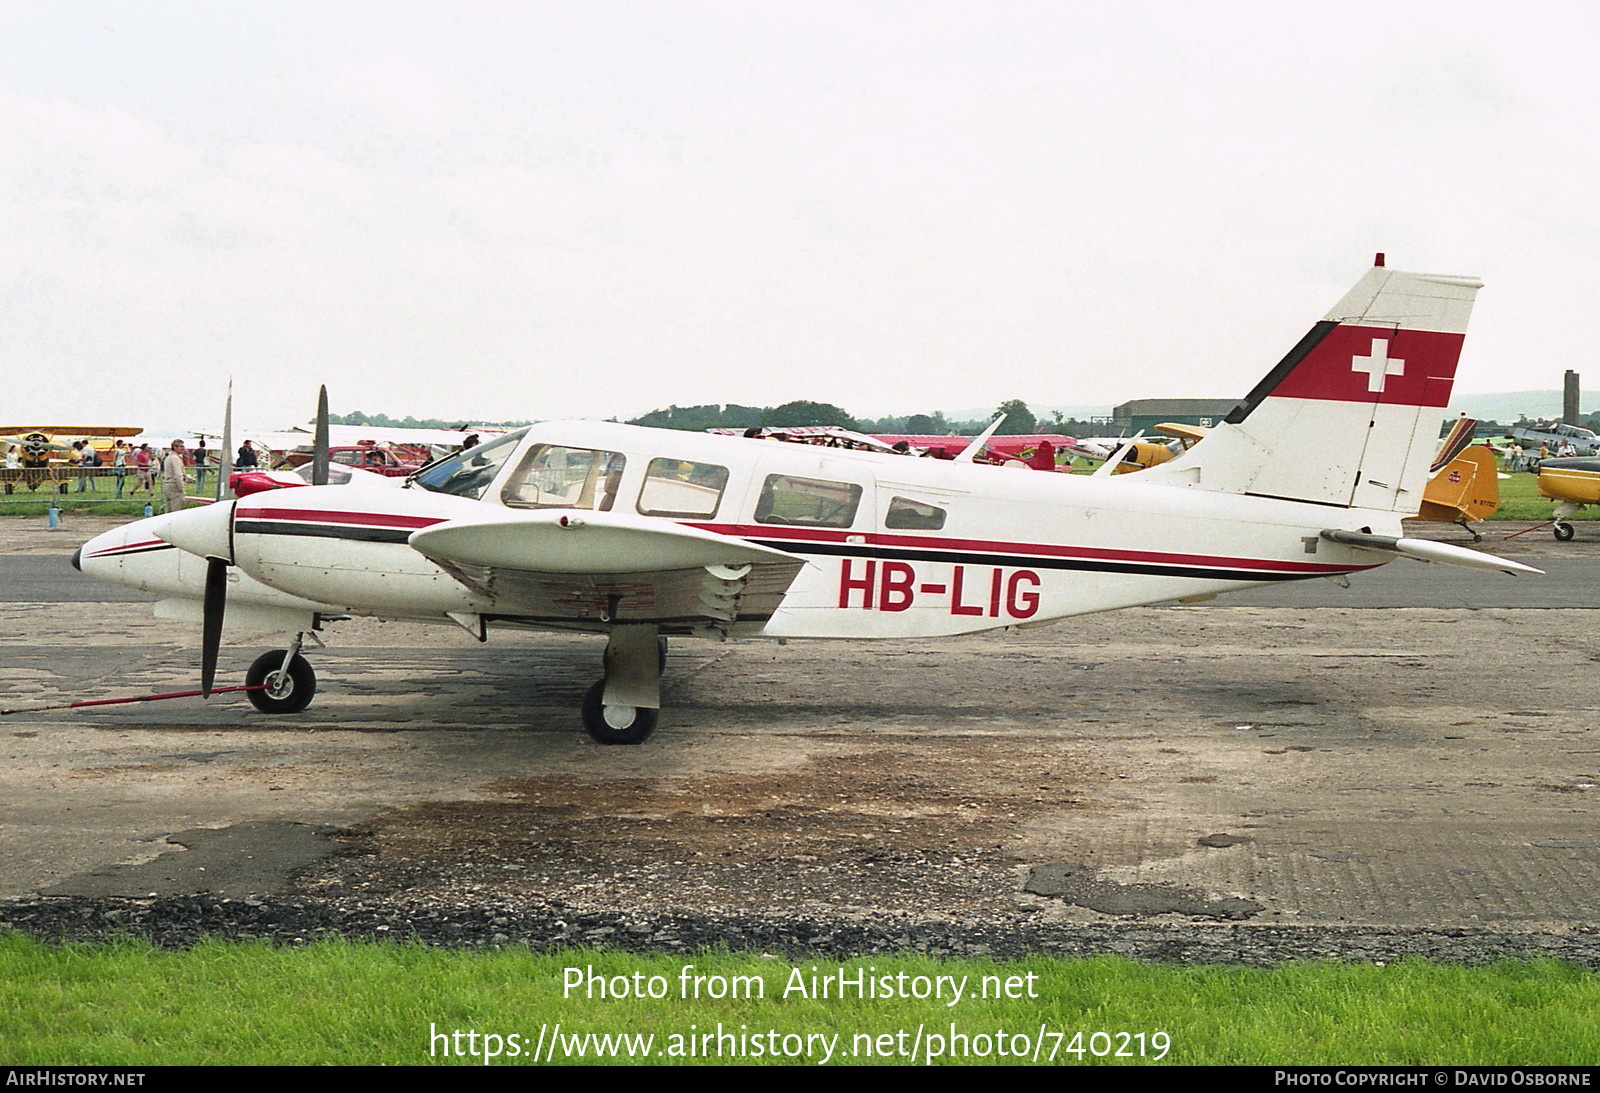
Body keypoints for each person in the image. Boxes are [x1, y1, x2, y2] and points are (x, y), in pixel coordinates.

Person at [161, 440, 187, 514]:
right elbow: (178, 474)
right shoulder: (175, 458)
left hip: (167, 485)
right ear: (175, 447)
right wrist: (181, 488)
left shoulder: (168, 457)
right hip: (174, 485)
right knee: (176, 512)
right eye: (181, 446)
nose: (183, 448)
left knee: (168, 511)